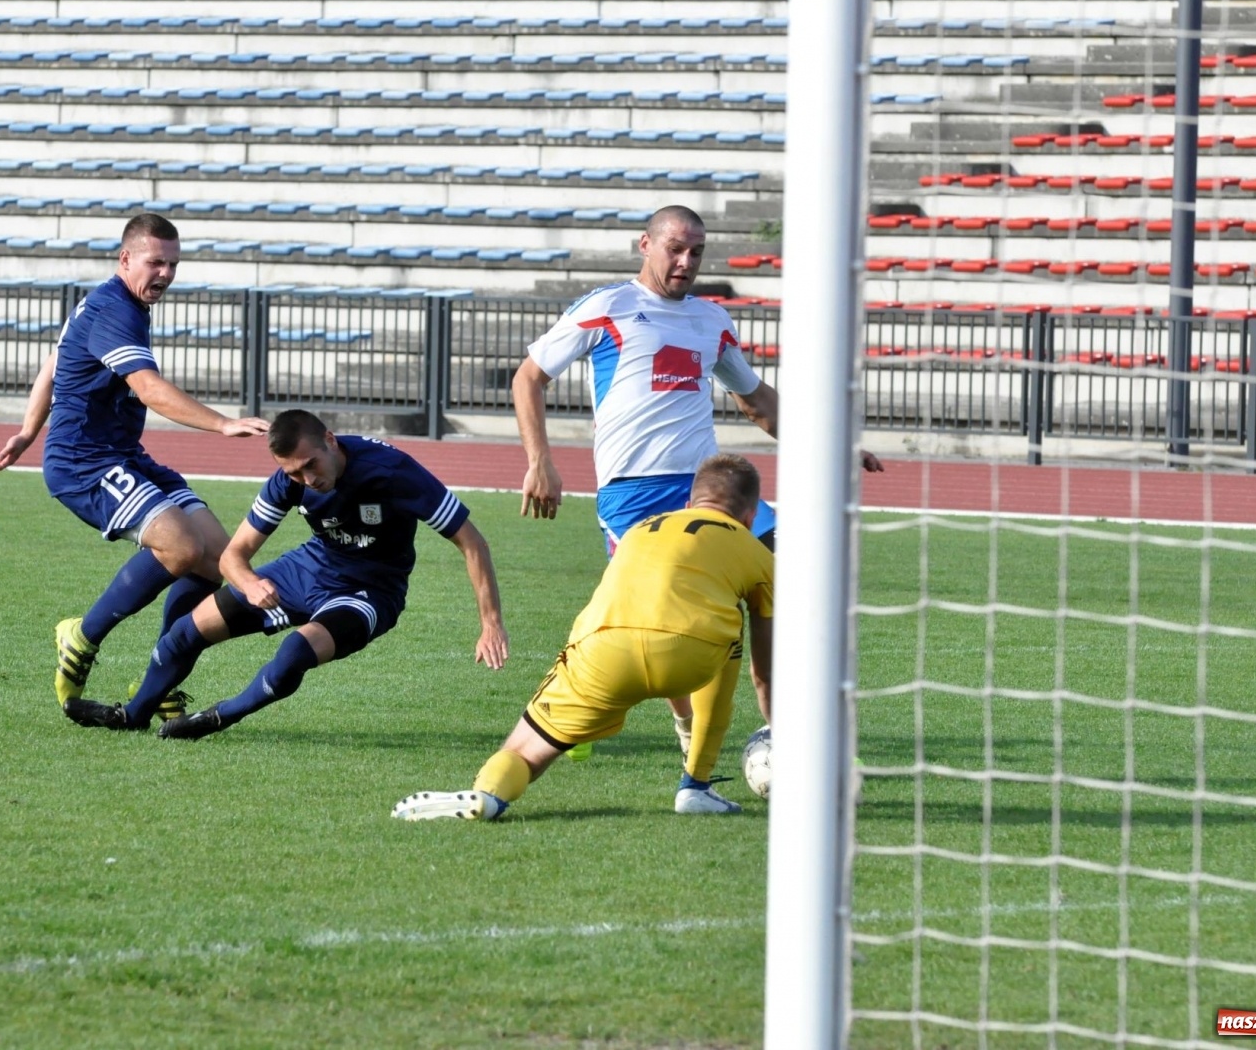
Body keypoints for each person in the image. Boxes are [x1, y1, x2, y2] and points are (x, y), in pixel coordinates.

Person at [510, 204, 881, 757]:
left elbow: (757, 403)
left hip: (711, 488)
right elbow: (529, 377)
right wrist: (539, 460)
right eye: (676, 249)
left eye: (697, 252)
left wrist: (834, 445)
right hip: (634, 491)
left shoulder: (712, 321)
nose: (686, 261)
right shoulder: (609, 306)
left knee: (786, 575)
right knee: (661, 615)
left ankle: (785, 729)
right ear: (646, 245)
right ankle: (679, 727)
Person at [61, 408, 508, 738]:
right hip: (307, 570)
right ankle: (133, 716)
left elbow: (472, 542)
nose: (306, 479)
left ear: (330, 440)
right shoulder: (288, 481)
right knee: (184, 632)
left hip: (370, 591)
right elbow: (233, 555)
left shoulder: (392, 472)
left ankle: (219, 717)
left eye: (311, 465)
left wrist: (490, 624)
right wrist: (250, 583)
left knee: (295, 652)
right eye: (294, 472)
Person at [0, 213, 271, 716]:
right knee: (181, 546)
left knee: (218, 559)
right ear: (126, 259)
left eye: (173, 264)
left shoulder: (115, 303)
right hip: (83, 460)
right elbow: (149, 389)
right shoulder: (115, 309)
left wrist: (28, 432)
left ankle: (160, 681)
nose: (165, 273)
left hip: (122, 455)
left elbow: (54, 363)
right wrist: (222, 423)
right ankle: (82, 634)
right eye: (155, 262)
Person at [392, 453, 772, 821]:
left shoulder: (641, 529)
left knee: (525, 751)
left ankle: (489, 795)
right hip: (690, 656)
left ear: (689, 503)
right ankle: (696, 786)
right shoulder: (758, 553)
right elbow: (764, 673)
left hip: (602, 649)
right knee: (730, 622)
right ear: (750, 517)